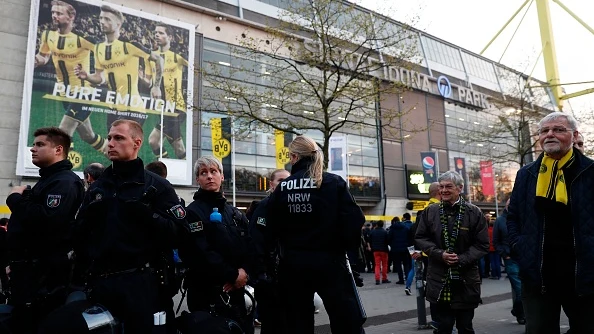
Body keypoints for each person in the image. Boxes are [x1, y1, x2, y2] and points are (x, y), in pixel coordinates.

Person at [40, 120, 189, 333]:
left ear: (137, 143)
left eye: (119, 138)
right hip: (101, 286)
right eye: (109, 137)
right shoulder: (98, 187)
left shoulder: (157, 186)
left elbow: (181, 234)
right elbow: (79, 238)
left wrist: (148, 216)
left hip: (144, 287)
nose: (110, 143)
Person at [265, 135, 366, 334]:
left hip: (293, 265)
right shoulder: (333, 182)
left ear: (294, 157)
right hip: (331, 262)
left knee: (298, 323)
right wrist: (346, 250)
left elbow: (271, 227)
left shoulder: (283, 187)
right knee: (346, 321)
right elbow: (354, 220)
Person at [507, 112, 594, 334]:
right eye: (544, 131)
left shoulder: (590, 171)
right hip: (539, 276)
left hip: (584, 275)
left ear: (574, 135)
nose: (549, 135)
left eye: (558, 129)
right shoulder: (526, 174)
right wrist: (520, 247)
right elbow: (513, 216)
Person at [5, 127, 84, 333]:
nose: (33, 149)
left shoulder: (64, 181)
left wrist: (15, 199)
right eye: (34, 144)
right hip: (29, 272)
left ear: (58, 149)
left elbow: (47, 221)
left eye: (40, 145)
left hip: (44, 279)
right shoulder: (48, 180)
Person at [178, 156, 257, 334]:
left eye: (214, 171)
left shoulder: (235, 213)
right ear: (197, 179)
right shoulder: (192, 213)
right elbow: (199, 252)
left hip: (238, 291)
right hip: (207, 293)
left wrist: (244, 273)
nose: (209, 176)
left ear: (222, 176)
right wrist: (231, 275)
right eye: (203, 173)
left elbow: (251, 246)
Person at [415, 171, 489, 334]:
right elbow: (420, 238)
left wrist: (460, 259)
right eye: (441, 187)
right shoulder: (430, 211)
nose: (443, 190)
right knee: (443, 326)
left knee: (465, 327)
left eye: (448, 186)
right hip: (439, 279)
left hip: (466, 279)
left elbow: (482, 244)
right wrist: (439, 254)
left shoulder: (474, 212)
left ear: (460, 188)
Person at [35, 0, 106, 154]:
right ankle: (122, 162)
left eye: (59, 13)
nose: (54, 16)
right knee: (88, 136)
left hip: (82, 93)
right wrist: (34, 61)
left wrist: (99, 74)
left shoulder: (82, 38)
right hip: (64, 92)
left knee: (62, 134)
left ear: (71, 17)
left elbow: (104, 52)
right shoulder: (47, 35)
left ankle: (62, 174)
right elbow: (43, 57)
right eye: (53, 12)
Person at [74, 5, 163, 127]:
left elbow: (159, 59)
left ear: (118, 24)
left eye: (107, 19)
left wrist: (156, 86)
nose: (102, 22)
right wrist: (87, 76)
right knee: (113, 145)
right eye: (101, 18)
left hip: (133, 108)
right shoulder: (99, 48)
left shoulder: (130, 45)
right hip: (112, 109)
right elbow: (99, 78)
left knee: (122, 143)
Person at [248, 169, 290, 334]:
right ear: (271, 184)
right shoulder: (264, 208)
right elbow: (256, 243)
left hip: (290, 279)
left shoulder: (292, 207)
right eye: (280, 180)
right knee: (272, 325)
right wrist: (263, 276)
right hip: (269, 281)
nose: (284, 184)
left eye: (288, 181)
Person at [147, 24, 189, 160]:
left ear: (170, 37)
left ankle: (166, 167)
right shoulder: (152, 57)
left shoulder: (178, 57)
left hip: (175, 108)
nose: (157, 35)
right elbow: (149, 81)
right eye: (155, 33)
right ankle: (173, 165)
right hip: (162, 109)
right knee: (176, 146)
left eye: (161, 33)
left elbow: (196, 67)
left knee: (154, 140)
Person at [493, 198, 525, 325]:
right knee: (520, 289)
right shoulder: (500, 220)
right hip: (510, 259)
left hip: (523, 257)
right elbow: (496, 240)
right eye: (509, 205)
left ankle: (517, 310)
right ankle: (521, 314)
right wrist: (504, 254)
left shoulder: (522, 218)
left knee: (525, 288)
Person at [388, 216, 410, 285]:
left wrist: (392, 245)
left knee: (398, 265)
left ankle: (401, 279)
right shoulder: (405, 228)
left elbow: (389, 239)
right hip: (405, 249)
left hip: (395, 250)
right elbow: (409, 237)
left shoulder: (392, 229)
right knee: (406, 264)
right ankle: (407, 277)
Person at [369, 221, 391, 285]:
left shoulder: (373, 232)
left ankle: (377, 279)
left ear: (377, 225)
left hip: (375, 250)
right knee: (384, 265)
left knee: (377, 265)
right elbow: (388, 241)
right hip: (384, 250)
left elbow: (370, 240)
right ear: (382, 225)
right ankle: (384, 278)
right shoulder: (385, 232)